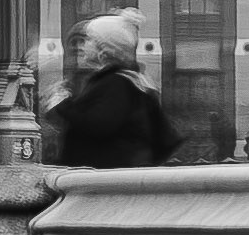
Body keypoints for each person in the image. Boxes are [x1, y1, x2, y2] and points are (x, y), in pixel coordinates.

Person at [48, 12, 180, 168]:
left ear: (105, 49)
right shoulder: (121, 81)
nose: (81, 46)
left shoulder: (117, 83)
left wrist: (63, 104)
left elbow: (99, 125)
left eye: (88, 40)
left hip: (106, 179)